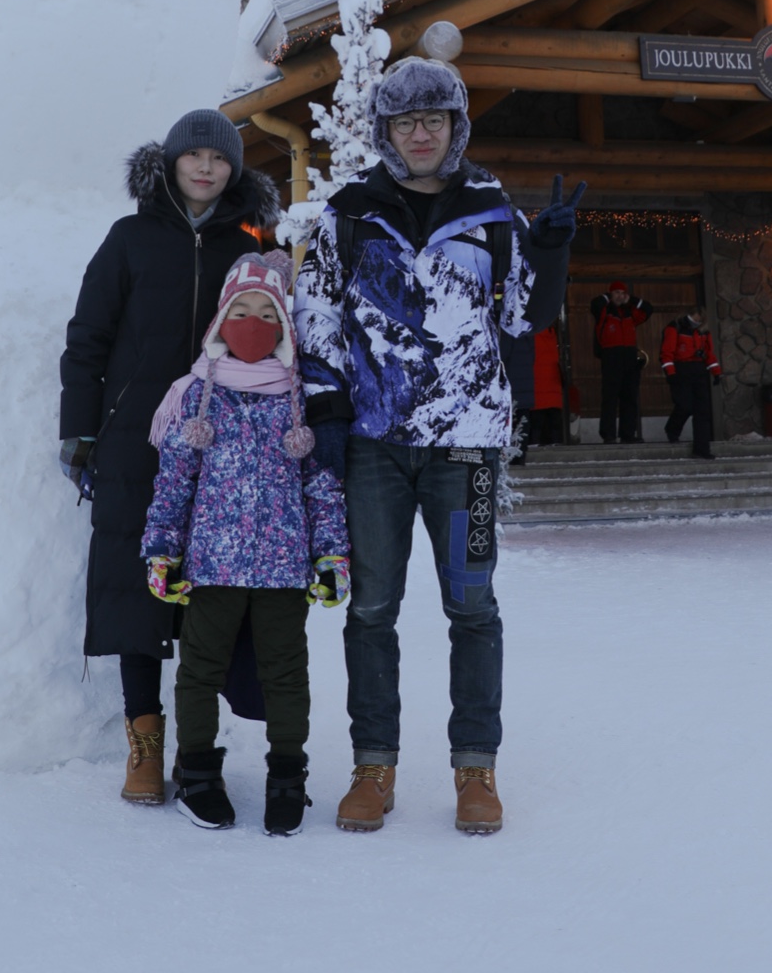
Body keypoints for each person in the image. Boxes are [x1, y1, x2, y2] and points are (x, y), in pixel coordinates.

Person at [293, 54, 583, 837]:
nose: (419, 134)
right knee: (372, 608)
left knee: (473, 606)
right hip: (374, 447)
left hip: (469, 452)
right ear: (385, 131)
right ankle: (372, 766)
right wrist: (326, 411)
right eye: (403, 121)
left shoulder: (492, 213)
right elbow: (315, 316)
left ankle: (474, 770)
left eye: (433, 119)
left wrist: (549, 248)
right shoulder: (347, 214)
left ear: (455, 126)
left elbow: (524, 318)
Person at [59, 110, 279, 806]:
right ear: (172, 163)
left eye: (220, 159)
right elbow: (88, 337)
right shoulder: (128, 240)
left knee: (208, 597)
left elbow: (275, 340)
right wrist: (82, 430)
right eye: (196, 156)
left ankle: (195, 745)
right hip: (135, 440)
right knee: (137, 589)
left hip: (222, 441)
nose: (207, 168)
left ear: (234, 169)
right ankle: (144, 744)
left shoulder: (249, 246)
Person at [143, 249, 348, 836]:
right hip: (212, 565)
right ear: (220, 321)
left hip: (285, 569)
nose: (253, 324)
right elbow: (174, 482)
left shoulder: (299, 396)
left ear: (285, 325)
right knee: (200, 671)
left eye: (267, 313)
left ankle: (288, 778)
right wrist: (161, 548)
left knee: (287, 674)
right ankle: (200, 777)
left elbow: (322, 486)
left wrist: (331, 554)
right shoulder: (195, 395)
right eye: (242, 311)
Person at [590, 280, 651, 443]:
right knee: (610, 397)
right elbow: (595, 304)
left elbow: (648, 309)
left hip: (630, 356)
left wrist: (631, 300)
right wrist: (608, 296)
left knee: (630, 396)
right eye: (616, 292)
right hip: (611, 356)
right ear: (610, 294)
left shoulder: (630, 312)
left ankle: (628, 434)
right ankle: (608, 434)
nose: (620, 296)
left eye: (622, 293)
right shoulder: (604, 311)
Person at [660, 311, 722, 456]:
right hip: (681, 371)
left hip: (699, 371)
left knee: (702, 412)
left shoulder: (703, 331)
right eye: (696, 317)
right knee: (684, 405)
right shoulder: (675, 328)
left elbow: (708, 353)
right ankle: (672, 429)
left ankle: (702, 449)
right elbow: (667, 352)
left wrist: (716, 372)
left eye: (701, 319)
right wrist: (670, 372)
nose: (697, 321)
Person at [527, 323, 568, 447]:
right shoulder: (552, 334)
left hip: (536, 385)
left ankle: (534, 444)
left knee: (536, 423)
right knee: (554, 423)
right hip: (552, 385)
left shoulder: (530, 333)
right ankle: (556, 443)